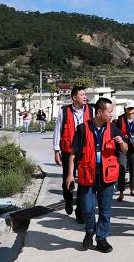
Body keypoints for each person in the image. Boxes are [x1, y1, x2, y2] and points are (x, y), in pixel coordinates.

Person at [65, 97, 128, 253]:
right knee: (87, 208)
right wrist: (70, 175)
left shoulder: (113, 129)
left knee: (105, 210)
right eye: (110, 111)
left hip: (107, 175)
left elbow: (126, 149)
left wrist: (121, 142)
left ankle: (101, 238)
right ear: (100, 112)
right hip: (87, 175)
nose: (112, 115)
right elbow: (73, 154)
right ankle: (89, 231)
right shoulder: (82, 129)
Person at [53, 86, 94, 223]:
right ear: (74, 97)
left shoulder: (91, 110)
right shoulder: (64, 111)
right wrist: (56, 151)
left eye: (85, 94)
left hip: (85, 152)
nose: (84, 97)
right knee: (67, 180)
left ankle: (80, 211)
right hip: (67, 151)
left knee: (84, 181)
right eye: (82, 94)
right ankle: (68, 200)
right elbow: (57, 131)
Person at [115, 99, 134, 201]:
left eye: (132, 108)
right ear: (125, 109)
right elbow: (115, 132)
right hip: (122, 146)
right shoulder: (120, 120)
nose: (130, 110)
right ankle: (121, 191)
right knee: (122, 168)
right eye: (128, 108)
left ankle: (133, 189)